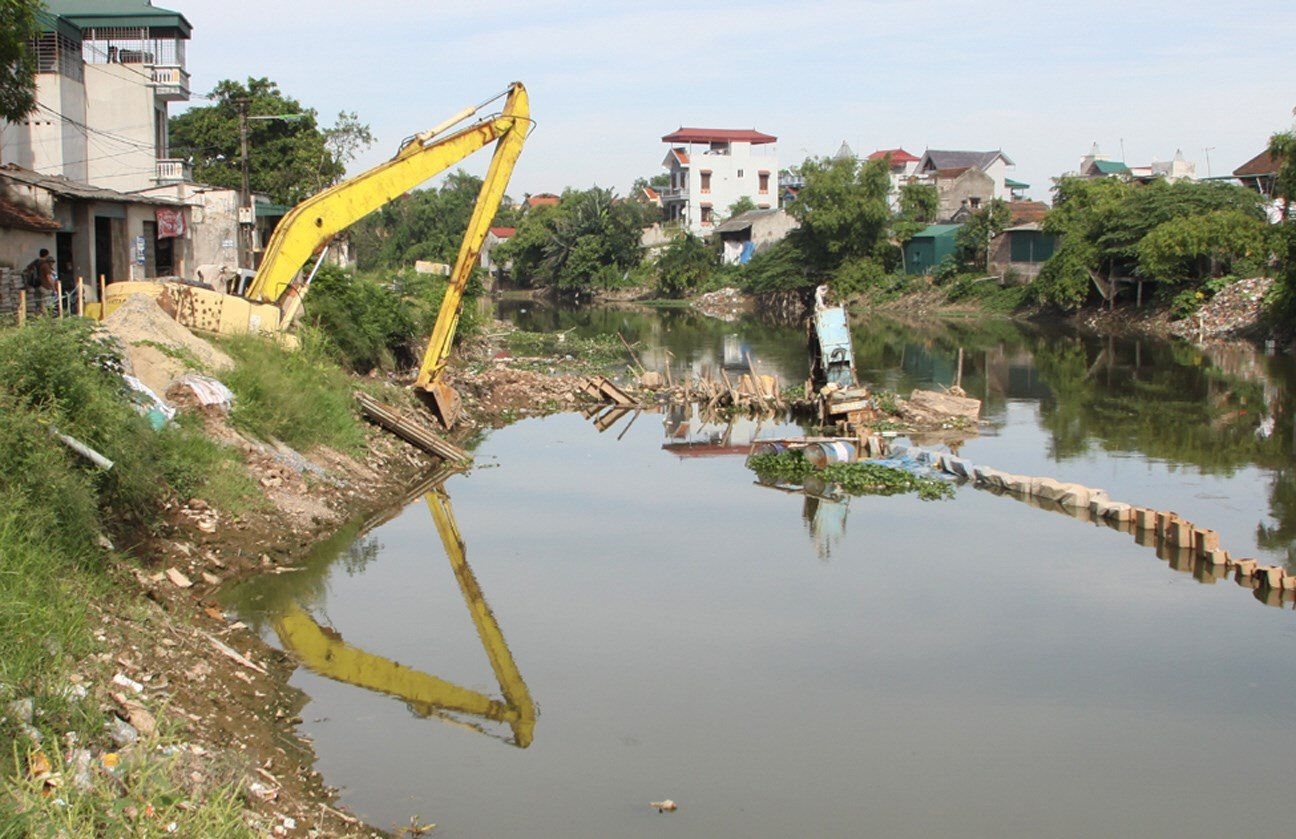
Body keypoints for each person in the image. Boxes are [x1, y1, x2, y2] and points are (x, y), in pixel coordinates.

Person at [25, 249, 57, 314]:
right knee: (46, 303)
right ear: (47, 255)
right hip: (45, 286)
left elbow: (27, 268)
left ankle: (40, 316)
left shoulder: (36, 261)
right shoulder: (45, 265)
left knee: (39, 302)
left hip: (37, 285)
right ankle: (46, 317)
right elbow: (48, 277)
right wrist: (53, 288)